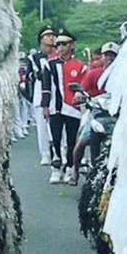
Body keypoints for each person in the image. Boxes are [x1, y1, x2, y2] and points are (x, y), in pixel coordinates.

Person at [69, 41, 120, 185]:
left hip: (117, 114)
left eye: (112, 55)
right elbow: (81, 89)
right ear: (102, 57)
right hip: (97, 112)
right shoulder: (94, 74)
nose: (109, 58)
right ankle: (75, 169)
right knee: (82, 142)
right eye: (107, 55)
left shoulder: (123, 76)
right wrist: (79, 94)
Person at [40, 31, 85, 184]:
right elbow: (45, 87)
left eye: (64, 44)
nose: (60, 47)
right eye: (58, 44)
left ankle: (70, 167)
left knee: (72, 139)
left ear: (72, 45)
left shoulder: (79, 66)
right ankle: (56, 167)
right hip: (55, 107)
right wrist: (45, 105)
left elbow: (83, 86)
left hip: (72, 108)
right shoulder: (49, 64)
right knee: (55, 138)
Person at [26, 28, 57, 166]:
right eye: (48, 36)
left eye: (53, 35)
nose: (51, 38)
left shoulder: (59, 56)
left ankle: (58, 151)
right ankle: (45, 153)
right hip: (40, 94)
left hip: (56, 95)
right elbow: (29, 77)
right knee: (42, 127)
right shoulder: (34, 58)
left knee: (57, 126)